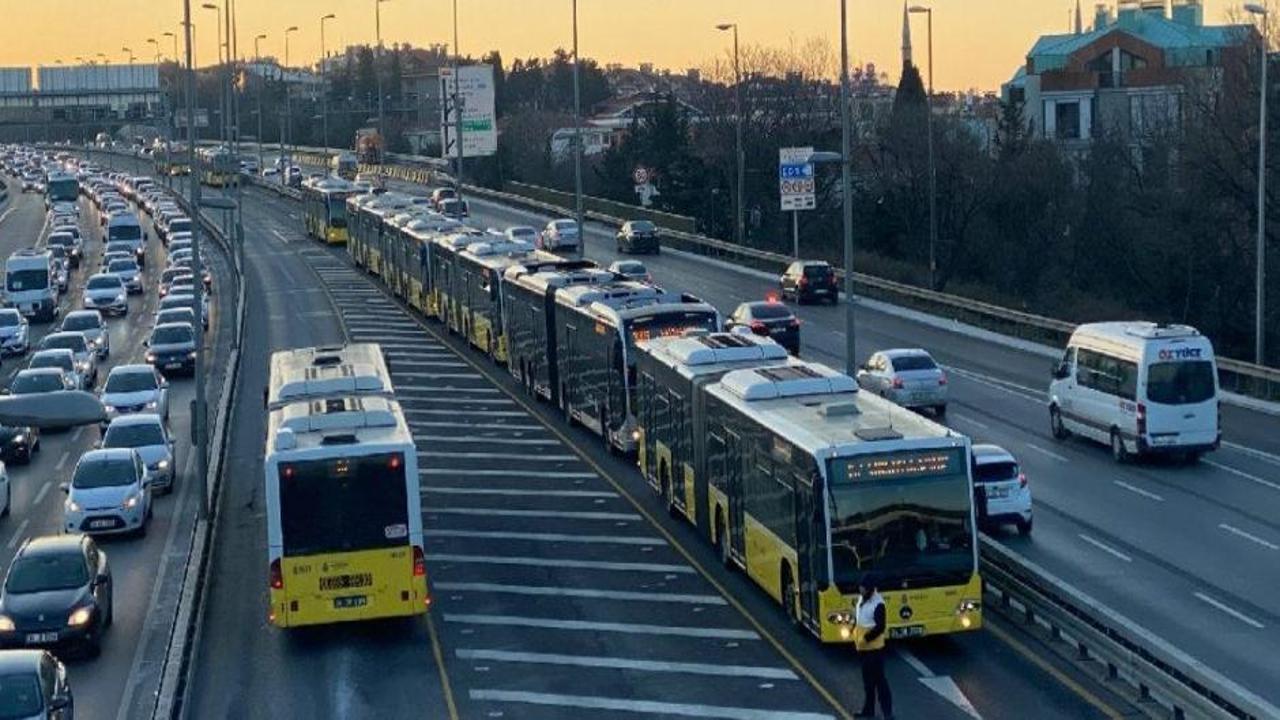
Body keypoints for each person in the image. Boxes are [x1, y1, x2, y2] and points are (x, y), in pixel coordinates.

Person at [854, 573, 894, 719]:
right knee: (868, 683)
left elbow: (880, 627)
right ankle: (868, 711)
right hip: (863, 649)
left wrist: (865, 638)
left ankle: (887, 713)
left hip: (874, 650)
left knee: (880, 682)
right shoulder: (862, 599)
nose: (860, 590)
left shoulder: (878, 604)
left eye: (863, 588)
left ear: (870, 589)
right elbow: (859, 618)